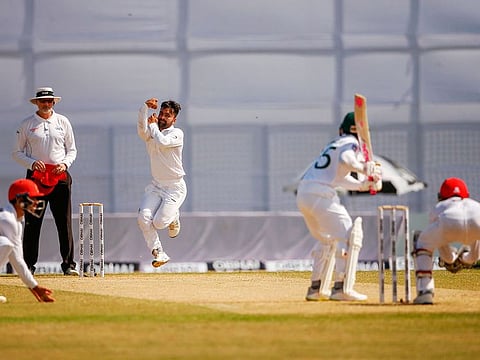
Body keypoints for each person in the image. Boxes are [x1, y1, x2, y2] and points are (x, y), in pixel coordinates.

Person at [296, 112, 382, 301]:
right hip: (321, 194)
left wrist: (363, 185)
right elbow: (347, 160)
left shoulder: (333, 144)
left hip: (304, 193)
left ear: (341, 129)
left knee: (327, 239)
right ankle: (341, 288)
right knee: (350, 234)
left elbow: (338, 177)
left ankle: (315, 288)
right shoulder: (350, 143)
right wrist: (364, 168)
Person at [12, 87, 78, 276]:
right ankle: (28, 266)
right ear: (37, 103)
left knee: (64, 223)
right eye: (43, 101)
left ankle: (68, 265)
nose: (46, 104)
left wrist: (65, 164)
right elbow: (16, 152)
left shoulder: (63, 121)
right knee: (33, 223)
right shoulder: (27, 124)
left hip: (60, 178)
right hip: (35, 180)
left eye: (49, 101)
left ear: (54, 102)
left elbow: (72, 149)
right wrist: (32, 164)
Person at [412, 177, 480, 305]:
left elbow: (438, 240)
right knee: (476, 236)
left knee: (423, 242)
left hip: (449, 221)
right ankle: (467, 258)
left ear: (441, 196)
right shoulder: (474, 204)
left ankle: (425, 291)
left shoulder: (440, 206)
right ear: (466, 195)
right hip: (477, 217)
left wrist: (448, 258)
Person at [137, 98, 187, 268]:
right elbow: (141, 130)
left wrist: (152, 125)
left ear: (174, 119)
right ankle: (159, 252)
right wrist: (144, 108)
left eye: (168, 115)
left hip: (175, 188)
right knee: (143, 219)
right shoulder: (151, 132)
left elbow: (162, 142)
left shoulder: (177, 134)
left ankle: (174, 215)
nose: (163, 117)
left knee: (159, 223)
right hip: (156, 185)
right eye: (161, 114)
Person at [0, 179, 56, 303]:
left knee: (6, 245)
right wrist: (34, 286)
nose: (36, 203)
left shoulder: (17, 222)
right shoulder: (8, 220)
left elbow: (17, 258)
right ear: (20, 200)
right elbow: (17, 260)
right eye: (33, 198)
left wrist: (34, 287)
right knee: (4, 243)